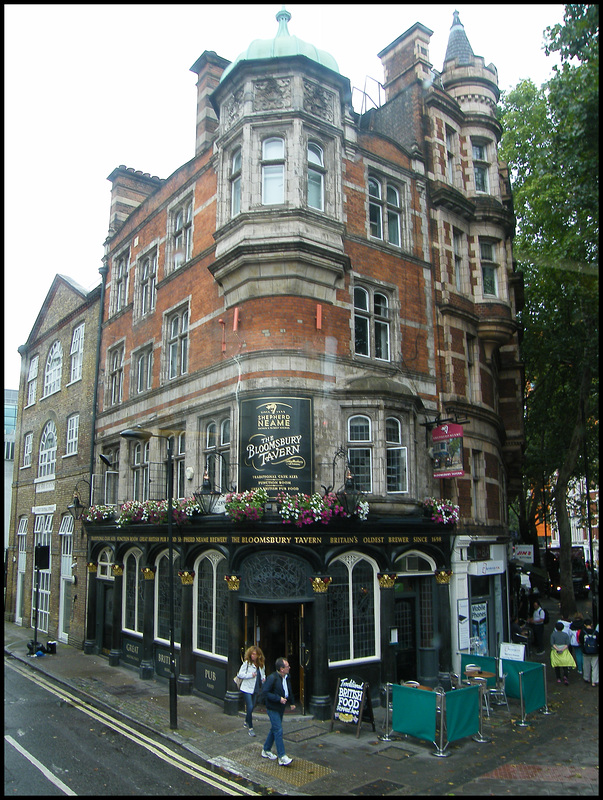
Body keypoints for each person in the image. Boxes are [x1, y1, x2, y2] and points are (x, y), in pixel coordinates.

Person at [260, 656, 296, 766]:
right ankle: (282, 756)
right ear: (281, 669)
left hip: (281, 708)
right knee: (278, 730)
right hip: (272, 708)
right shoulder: (272, 678)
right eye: (287, 666)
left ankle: (266, 750)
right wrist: (278, 699)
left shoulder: (286, 677)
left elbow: (288, 689)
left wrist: (292, 702)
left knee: (275, 729)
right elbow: (265, 692)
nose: (289, 667)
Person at [237, 646, 266, 737]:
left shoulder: (261, 665)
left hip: (256, 688)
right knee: (249, 706)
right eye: (252, 654)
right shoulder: (246, 663)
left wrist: (263, 678)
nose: (253, 656)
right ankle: (251, 728)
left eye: (255, 654)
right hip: (247, 688)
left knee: (252, 706)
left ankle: (246, 720)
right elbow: (240, 674)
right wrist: (250, 675)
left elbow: (263, 674)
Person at [578, 619, 599, 687]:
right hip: (595, 651)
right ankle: (594, 681)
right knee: (595, 666)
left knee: (586, 665)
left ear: (584, 625)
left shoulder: (583, 632)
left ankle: (587, 678)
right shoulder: (595, 632)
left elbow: (581, 640)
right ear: (591, 624)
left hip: (586, 651)